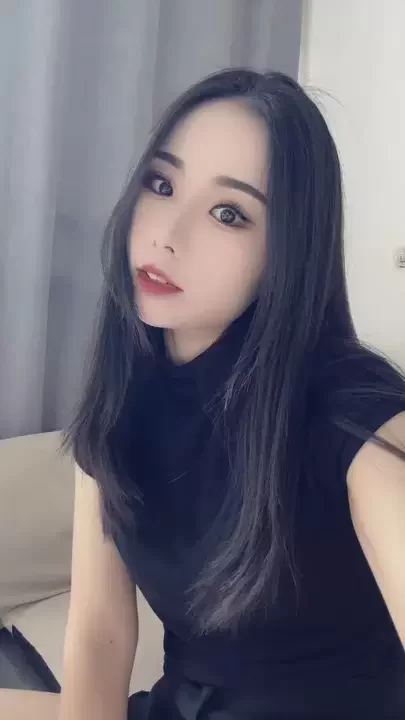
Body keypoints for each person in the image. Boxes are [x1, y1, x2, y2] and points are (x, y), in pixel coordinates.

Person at [1, 68, 405, 719]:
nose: (168, 233)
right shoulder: (125, 395)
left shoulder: (359, 419)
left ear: (287, 253)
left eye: (228, 213)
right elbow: (100, 632)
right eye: (161, 184)